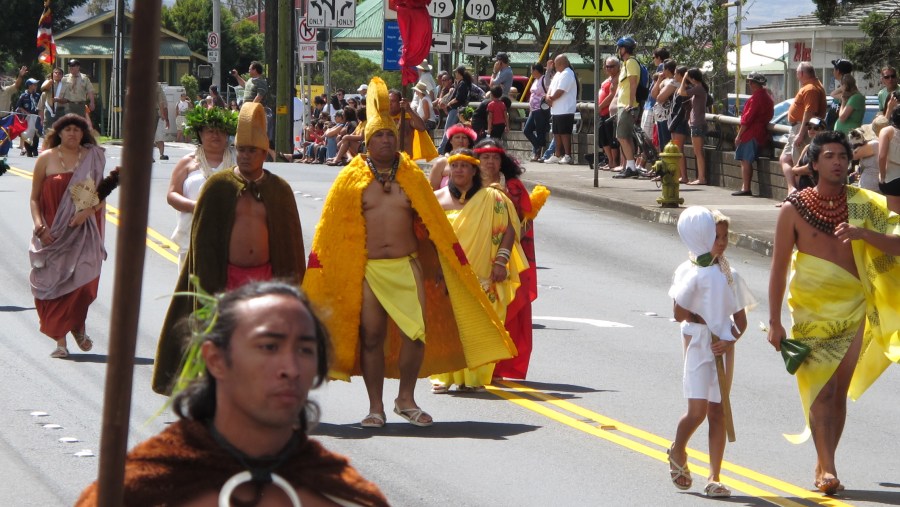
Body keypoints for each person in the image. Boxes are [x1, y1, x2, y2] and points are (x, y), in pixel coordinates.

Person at [302, 77, 516, 428]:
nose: (385, 140)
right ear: (367, 142)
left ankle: (406, 399)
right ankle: (375, 407)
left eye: (389, 135)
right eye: (378, 136)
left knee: (415, 334)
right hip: (369, 269)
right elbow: (332, 231)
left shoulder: (412, 175)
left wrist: (438, 267)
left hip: (407, 265)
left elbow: (431, 225)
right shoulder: (350, 178)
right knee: (370, 336)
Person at [77, 281, 389, 507]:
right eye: (269, 347)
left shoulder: (346, 494)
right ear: (215, 359)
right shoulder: (141, 489)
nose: (291, 368)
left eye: (306, 350)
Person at [767, 130, 900, 495]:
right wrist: (775, 321)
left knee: (837, 392)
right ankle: (829, 468)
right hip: (809, 312)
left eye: (843, 155)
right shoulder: (794, 209)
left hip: (854, 309)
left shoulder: (863, 203)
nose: (839, 161)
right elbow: (778, 268)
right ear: (813, 163)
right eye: (830, 155)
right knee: (820, 391)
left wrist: (864, 235)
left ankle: (824, 462)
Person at [153, 102, 307, 395]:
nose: (246, 156)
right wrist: (206, 282)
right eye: (243, 149)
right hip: (225, 279)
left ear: (264, 153)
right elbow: (203, 243)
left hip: (266, 281)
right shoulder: (218, 186)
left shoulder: (279, 190)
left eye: (253, 150)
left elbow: (291, 244)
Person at [666, 207, 754, 497]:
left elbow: (741, 322)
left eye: (725, 236)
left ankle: (714, 476)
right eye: (716, 236)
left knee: (718, 412)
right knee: (697, 411)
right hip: (697, 345)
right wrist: (696, 301)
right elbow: (679, 313)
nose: (722, 241)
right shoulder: (688, 270)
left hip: (722, 347)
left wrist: (729, 341)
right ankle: (678, 449)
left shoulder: (730, 275)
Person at [429, 148, 527, 393]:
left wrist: (501, 263)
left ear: (474, 170)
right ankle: (445, 376)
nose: (459, 170)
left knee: (482, 324)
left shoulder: (492, 198)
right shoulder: (436, 198)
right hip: (447, 273)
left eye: (465, 166)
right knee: (448, 325)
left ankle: (476, 377)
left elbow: (509, 231)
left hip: (485, 273)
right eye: (455, 166)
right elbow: (427, 236)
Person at [29, 114, 107, 359]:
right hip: (52, 232)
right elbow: (34, 198)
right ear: (59, 133)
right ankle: (61, 343)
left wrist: (87, 212)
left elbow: (101, 193)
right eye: (68, 129)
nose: (73, 134)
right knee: (53, 285)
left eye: (77, 129)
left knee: (81, 283)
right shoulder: (46, 159)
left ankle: (77, 325)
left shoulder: (91, 157)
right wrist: (40, 226)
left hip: (83, 231)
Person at [475, 139, 547, 380]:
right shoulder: (464, 182)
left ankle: (498, 365)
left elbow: (520, 223)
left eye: (495, 157)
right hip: (473, 253)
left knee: (506, 309)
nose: (490, 162)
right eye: (485, 157)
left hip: (506, 255)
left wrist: (505, 254)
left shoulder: (513, 187)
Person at [167, 105, 238, 268]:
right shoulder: (187, 161)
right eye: (210, 131)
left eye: (220, 131)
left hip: (231, 234)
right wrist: (197, 206)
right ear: (200, 133)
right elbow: (172, 194)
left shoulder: (238, 160)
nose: (216, 135)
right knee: (192, 289)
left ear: (227, 133)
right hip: (193, 232)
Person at [780, 62, 827, 194]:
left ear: (802, 74)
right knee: (785, 158)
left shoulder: (811, 88)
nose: (796, 76)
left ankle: (799, 194)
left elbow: (809, 111)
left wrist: (801, 134)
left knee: (798, 162)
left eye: (797, 73)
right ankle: (792, 190)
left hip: (803, 127)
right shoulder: (810, 86)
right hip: (797, 126)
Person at [732, 72, 774, 196]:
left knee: (745, 160)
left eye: (750, 82)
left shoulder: (756, 98)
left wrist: (739, 135)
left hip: (751, 132)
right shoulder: (767, 96)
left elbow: (747, 118)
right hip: (761, 131)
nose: (749, 84)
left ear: (754, 83)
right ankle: (745, 186)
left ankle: (746, 187)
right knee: (746, 159)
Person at [611, 37, 642, 178]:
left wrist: (630, 103)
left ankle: (631, 166)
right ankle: (630, 166)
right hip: (623, 105)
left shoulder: (631, 63)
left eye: (620, 48)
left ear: (624, 49)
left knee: (621, 136)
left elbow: (633, 84)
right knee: (625, 137)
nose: (618, 51)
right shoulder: (625, 64)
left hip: (628, 106)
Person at [544, 54, 578, 164]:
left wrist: (551, 98)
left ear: (562, 63)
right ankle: (557, 154)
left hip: (565, 109)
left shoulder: (568, 73)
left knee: (565, 133)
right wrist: (548, 96)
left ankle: (568, 155)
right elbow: (551, 88)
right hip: (556, 109)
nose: (554, 66)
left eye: (556, 64)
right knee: (556, 133)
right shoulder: (558, 74)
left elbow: (561, 90)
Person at [678, 68, 709, 185]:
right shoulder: (700, 88)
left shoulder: (699, 88)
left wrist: (683, 79)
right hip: (696, 122)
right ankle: (701, 177)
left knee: (698, 152)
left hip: (697, 123)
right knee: (698, 152)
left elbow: (681, 92)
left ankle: (701, 178)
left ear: (693, 78)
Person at [429, 123, 476, 189]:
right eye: (457, 137)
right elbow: (432, 191)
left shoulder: (476, 162)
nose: (460, 140)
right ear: (451, 141)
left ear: (469, 142)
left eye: (464, 137)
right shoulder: (441, 163)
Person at [438, 65, 473, 154]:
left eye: (456, 72)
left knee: (448, 129)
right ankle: (444, 149)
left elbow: (458, 98)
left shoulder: (462, 84)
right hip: (457, 110)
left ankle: (441, 150)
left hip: (455, 110)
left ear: (459, 73)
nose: (455, 74)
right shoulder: (462, 83)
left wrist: (449, 103)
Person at [523, 63, 551, 162]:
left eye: (532, 70)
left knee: (540, 131)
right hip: (533, 109)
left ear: (536, 70)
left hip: (541, 109)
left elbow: (548, 87)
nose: (531, 72)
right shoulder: (535, 80)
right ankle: (537, 147)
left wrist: (548, 70)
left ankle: (538, 154)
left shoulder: (543, 79)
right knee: (527, 130)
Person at [597, 57, 621, 170]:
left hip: (610, 112)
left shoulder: (617, 78)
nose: (609, 69)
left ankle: (614, 162)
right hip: (602, 112)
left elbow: (612, 95)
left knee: (611, 138)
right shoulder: (609, 79)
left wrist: (600, 106)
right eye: (607, 66)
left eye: (612, 66)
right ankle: (609, 159)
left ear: (618, 66)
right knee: (602, 137)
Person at [878, 106, 900, 213]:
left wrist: (882, 176)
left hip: (892, 179)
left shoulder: (886, 131)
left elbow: (882, 156)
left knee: (895, 219)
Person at [16, 78, 42, 157]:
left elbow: (40, 106)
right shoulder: (23, 95)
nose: (36, 86)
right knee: (27, 134)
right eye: (34, 85)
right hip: (27, 117)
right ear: (29, 86)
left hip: (36, 116)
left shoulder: (37, 95)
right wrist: (26, 113)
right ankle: (28, 150)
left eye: (36, 85)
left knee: (36, 133)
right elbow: (19, 106)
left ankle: (35, 149)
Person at [39, 68, 64, 134]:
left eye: (59, 73)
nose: (57, 74)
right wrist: (49, 83)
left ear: (62, 76)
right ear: (52, 74)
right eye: (56, 73)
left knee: (59, 131)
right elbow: (43, 89)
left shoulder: (64, 84)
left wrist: (59, 100)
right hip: (49, 110)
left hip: (60, 110)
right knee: (47, 130)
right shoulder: (48, 81)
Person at [155, 82, 171, 161]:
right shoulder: (157, 87)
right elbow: (162, 103)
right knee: (159, 136)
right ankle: (161, 154)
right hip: (156, 114)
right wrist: (163, 116)